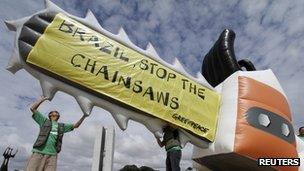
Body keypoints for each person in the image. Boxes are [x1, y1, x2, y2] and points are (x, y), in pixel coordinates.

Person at [26, 96, 88, 171]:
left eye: (57, 114)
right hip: (39, 152)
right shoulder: (44, 121)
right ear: (50, 116)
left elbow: (76, 125)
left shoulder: (61, 126)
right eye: (54, 114)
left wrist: (84, 116)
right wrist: (42, 99)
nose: (56, 115)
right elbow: (32, 108)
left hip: (52, 155)